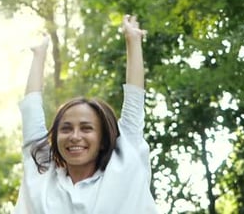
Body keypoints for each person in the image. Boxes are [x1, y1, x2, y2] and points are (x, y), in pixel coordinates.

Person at [13, 15, 159, 214]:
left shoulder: (126, 162)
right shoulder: (40, 169)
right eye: (66, 128)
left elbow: (134, 101)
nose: (75, 136)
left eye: (86, 128)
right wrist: (39, 55)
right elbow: (31, 109)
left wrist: (133, 41)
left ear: (103, 139)